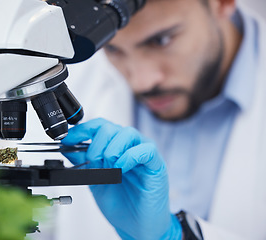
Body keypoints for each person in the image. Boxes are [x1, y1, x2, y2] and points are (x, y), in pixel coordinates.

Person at [60, 0, 266, 239]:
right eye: (113, 49)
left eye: (162, 40)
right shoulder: (70, 78)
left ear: (222, 3)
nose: (142, 82)